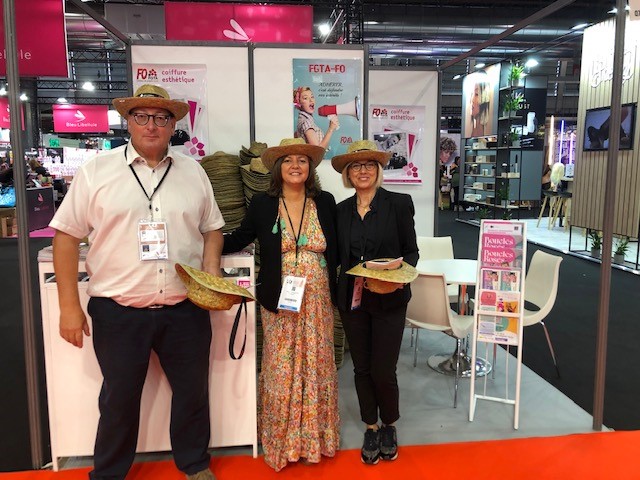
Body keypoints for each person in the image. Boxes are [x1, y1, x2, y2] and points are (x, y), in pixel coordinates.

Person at [49, 84, 224, 480]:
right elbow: (66, 236)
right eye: (141, 116)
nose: (151, 125)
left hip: (185, 307)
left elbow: (212, 227)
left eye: (161, 118)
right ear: (128, 121)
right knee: (119, 399)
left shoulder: (193, 172)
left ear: (173, 125)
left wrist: (211, 267)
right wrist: (69, 306)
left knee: (193, 393)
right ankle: (109, 473)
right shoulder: (97, 171)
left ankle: (195, 464)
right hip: (118, 311)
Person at [222, 138, 339, 471]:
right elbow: (240, 237)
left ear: (310, 168)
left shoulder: (325, 202)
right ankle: (282, 441)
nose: (295, 166)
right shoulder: (263, 204)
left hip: (317, 297)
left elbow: (341, 245)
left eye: (302, 160)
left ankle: (314, 441)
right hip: (279, 294)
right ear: (278, 168)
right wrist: (204, 239)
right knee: (281, 364)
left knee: (316, 362)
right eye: (288, 160)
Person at [330, 140, 418, 465]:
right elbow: (334, 258)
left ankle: (389, 424)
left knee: (384, 369)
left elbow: (411, 252)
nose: (363, 170)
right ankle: (371, 425)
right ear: (348, 174)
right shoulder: (340, 211)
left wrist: (394, 278)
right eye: (356, 166)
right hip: (352, 301)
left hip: (390, 299)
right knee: (362, 368)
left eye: (369, 164)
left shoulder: (399, 204)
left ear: (378, 170)